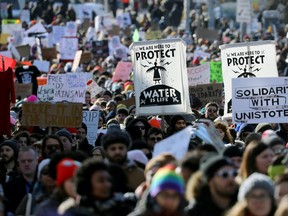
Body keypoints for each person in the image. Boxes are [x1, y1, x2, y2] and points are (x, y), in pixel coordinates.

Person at [60, 160, 135, 216]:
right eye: (101, 181)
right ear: (87, 184)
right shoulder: (73, 212)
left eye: (109, 180)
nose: (107, 184)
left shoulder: (124, 207)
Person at [4, 147, 38, 214]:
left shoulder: (45, 183)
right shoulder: (10, 186)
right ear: (18, 163)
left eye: (30, 160)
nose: (26, 164)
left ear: (36, 161)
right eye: (23, 161)